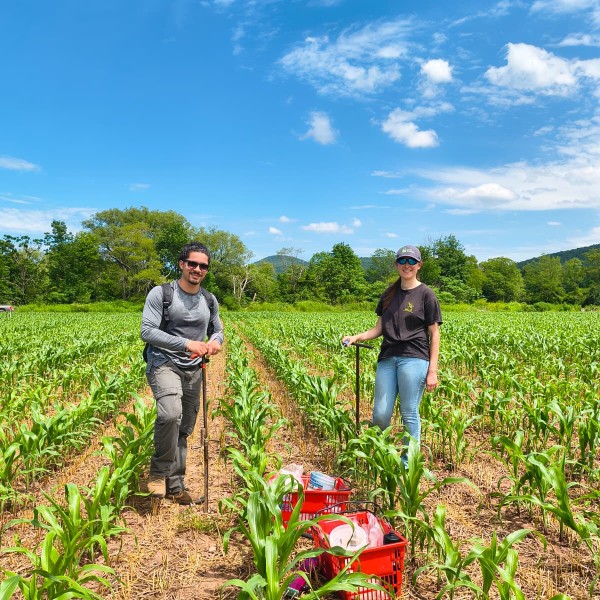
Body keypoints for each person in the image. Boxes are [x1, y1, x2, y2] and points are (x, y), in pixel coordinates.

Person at [141, 241, 224, 504]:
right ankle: (158, 473)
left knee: (184, 427)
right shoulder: (161, 293)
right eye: (192, 264)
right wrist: (187, 343)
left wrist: (214, 344)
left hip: (194, 369)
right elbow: (148, 331)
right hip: (163, 362)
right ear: (181, 264)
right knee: (169, 414)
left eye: (203, 266)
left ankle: (175, 486)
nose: (197, 269)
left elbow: (218, 330)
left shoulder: (209, 300)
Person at [342, 244, 441, 456]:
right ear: (396, 264)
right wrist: (356, 337)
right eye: (403, 261)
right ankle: (381, 458)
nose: (407, 265)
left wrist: (432, 370)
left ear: (419, 265)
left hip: (414, 358)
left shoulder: (426, 294)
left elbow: (434, 334)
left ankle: (408, 463)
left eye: (412, 261)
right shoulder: (389, 294)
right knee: (380, 414)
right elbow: (379, 328)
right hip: (387, 358)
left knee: (409, 413)